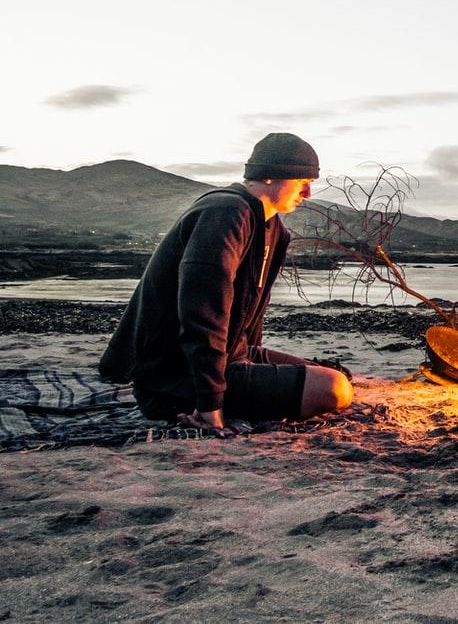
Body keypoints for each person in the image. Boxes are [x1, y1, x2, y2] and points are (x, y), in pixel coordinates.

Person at [99, 132, 353, 435]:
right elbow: (202, 314)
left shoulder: (273, 228)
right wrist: (210, 404)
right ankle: (207, 400)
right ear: (270, 175)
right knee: (333, 389)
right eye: (301, 182)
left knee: (334, 375)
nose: (309, 193)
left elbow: (249, 315)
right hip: (175, 377)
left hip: (233, 356)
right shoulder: (225, 213)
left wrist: (252, 365)